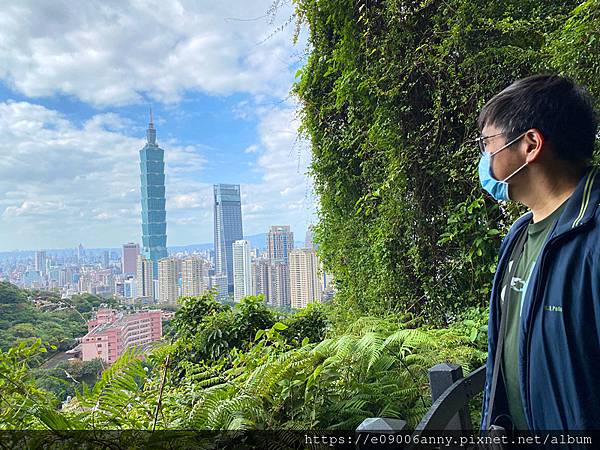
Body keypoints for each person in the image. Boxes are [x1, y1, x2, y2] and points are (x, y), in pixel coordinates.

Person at [477, 74, 600, 431]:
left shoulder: (591, 236)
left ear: (530, 144)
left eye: (488, 144)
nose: (485, 159)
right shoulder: (518, 236)